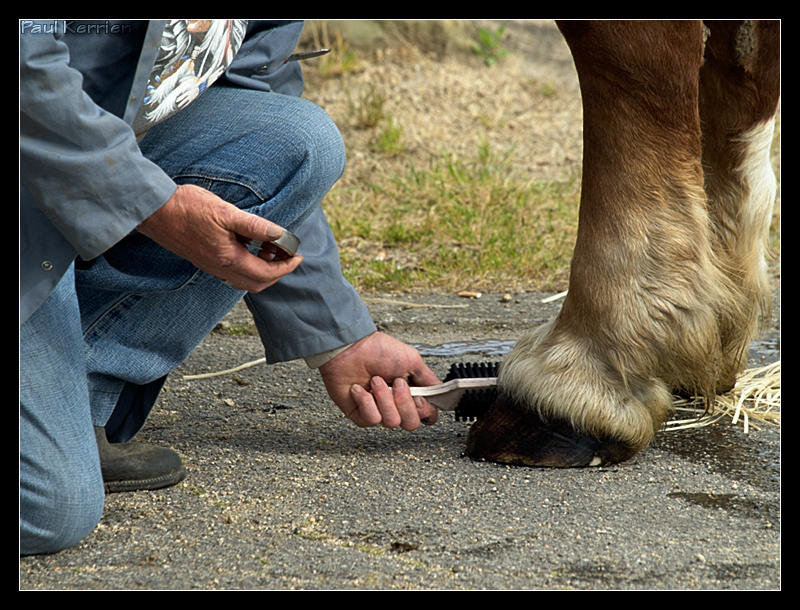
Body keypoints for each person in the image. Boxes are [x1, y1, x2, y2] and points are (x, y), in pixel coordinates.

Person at [20, 19, 440, 556]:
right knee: (47, 508)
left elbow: (248, 85)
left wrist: (341, 338)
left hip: (65, 160)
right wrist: (154, 205)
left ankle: (78, 403)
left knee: (296, 140)